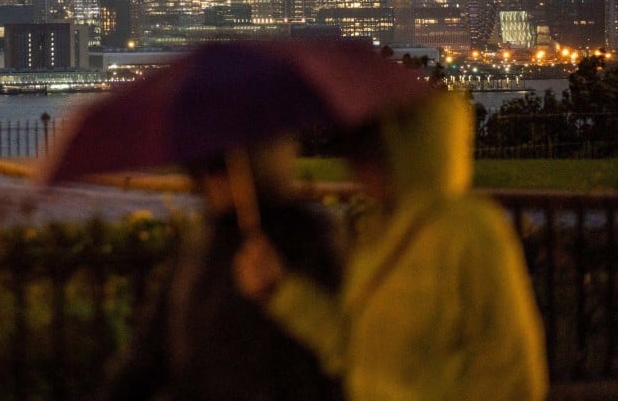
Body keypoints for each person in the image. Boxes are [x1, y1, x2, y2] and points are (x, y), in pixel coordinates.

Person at [233, 91, 549, 400]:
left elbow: (513, 374)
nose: (357, 167)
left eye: (370, 151)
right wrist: (280, 290)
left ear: (404, 153)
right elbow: (355, 349)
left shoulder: (469, 233)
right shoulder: (382, 233)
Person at [102, 136, 345, 401]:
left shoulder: (303, 237)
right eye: (198, 168)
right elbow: (150, 353)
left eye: (217, 167)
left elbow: (332, 354)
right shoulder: (203, 239)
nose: (206, 182)